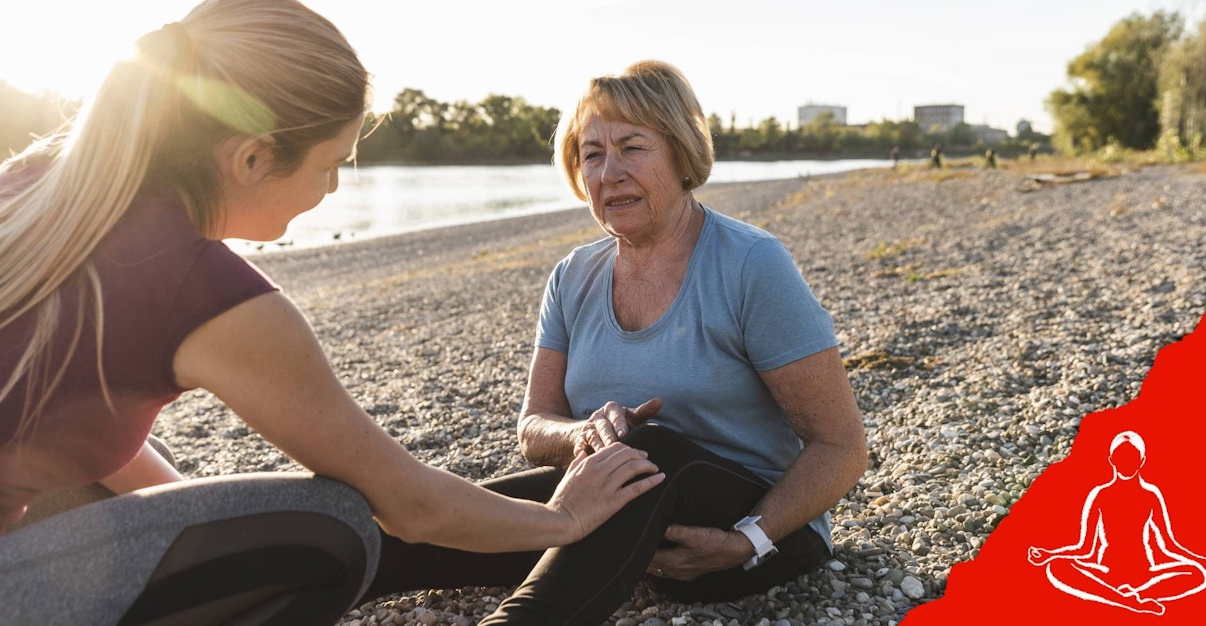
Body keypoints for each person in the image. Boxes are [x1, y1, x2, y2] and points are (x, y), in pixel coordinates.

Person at [0, 1, 664, 624]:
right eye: (333, 163)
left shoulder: (45, 188)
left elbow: (81, 432)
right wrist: (564, 517)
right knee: (330, 526)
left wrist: (209, 529)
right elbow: (404, 500)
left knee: (128, 461)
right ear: (253, 157)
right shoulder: (199, 287)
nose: (334, 187)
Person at [361, 61, 869, 620]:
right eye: (592, 154)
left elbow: (841, 445)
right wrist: (584, 431)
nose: (610, 173)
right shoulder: (572, 275)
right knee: (432, 520)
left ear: (681, 155)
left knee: (645, 451)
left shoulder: (752, 263)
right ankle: (306, 577)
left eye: (632, 148)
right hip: (615, 507)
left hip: (758, 529)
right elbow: (535, 427)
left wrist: (747, 540)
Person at [1028, 431, 1206, 615]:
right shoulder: (1101, 495)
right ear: (1112, 460)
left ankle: (1131, 597)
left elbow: (1168, 545)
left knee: (1197, 574)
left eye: (1132, 457)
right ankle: (1128, 602)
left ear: (1141, 460)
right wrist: (1049, 555)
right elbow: (1085, 549)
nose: (1126, 463)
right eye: (1121, 457)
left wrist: (1204, 563)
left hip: (1144, 573)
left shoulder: (1150, 496)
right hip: (1108, 571)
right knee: (1057, 566)